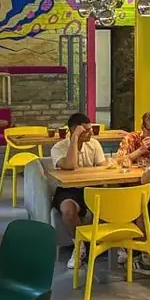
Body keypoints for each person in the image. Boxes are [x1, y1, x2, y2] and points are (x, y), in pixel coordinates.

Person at [51, 112, 107, 269]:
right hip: (68, 189)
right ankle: (79, 246)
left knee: (112, 203)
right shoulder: (59, 148)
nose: (91, 133)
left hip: (91, 187)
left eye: (91, 129)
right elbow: (70, 165)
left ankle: (115, 245)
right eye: (86, 130)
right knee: (68, 211)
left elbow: (102, 167)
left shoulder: (94, 144)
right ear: (74, 131)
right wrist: (75, 139)